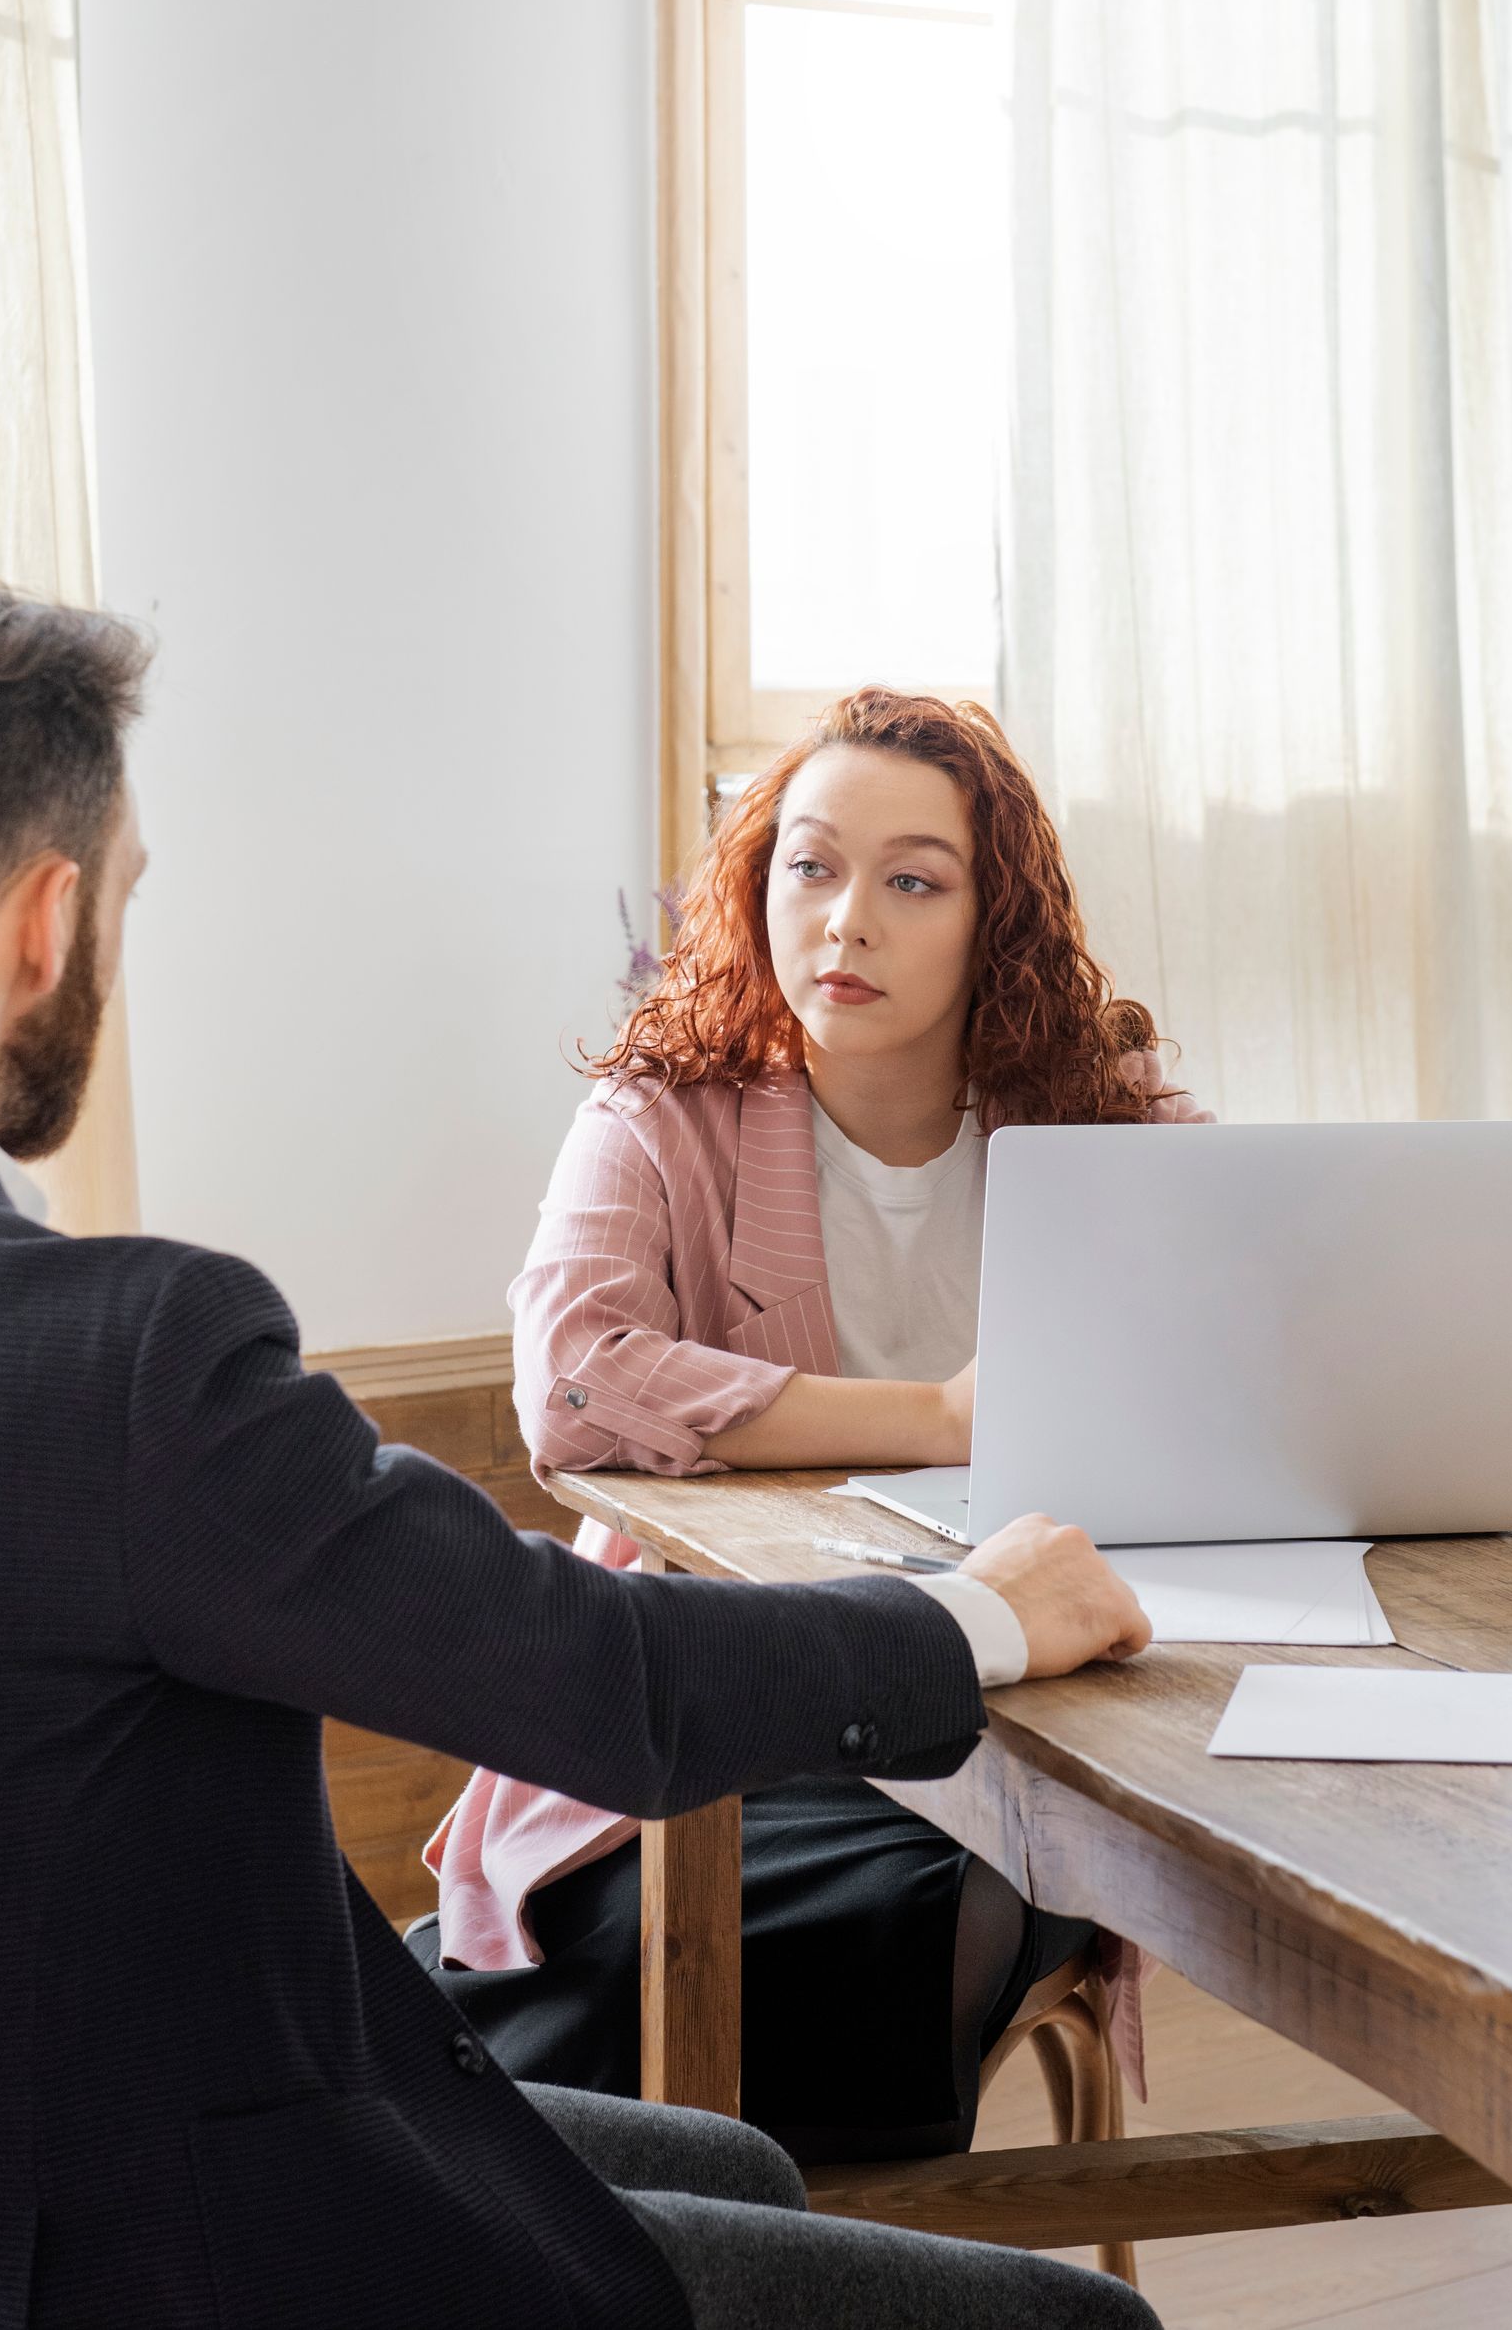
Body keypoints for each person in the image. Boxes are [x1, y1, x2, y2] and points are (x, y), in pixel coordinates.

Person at [0, 564, 1162, 2330]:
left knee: (736, 2164)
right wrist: (979, 1617)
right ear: (50, 922)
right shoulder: (112, 1351)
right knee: (1088, 2328)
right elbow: (591, 1679)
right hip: (203, 2247)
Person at [419, 688, 1212, 2158]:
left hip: (1023, 1715)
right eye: (809, 863)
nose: (846, 917)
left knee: (930, 1898)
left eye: (912, 880)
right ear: (758, 881)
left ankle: (766, 2249)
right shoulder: (663, 1108)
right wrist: (937, 1416)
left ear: (997, 919)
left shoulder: (1105, 1124)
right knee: (807, 1928)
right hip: (736, 1693)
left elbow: (1231, 1358)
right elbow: (575, 1383)